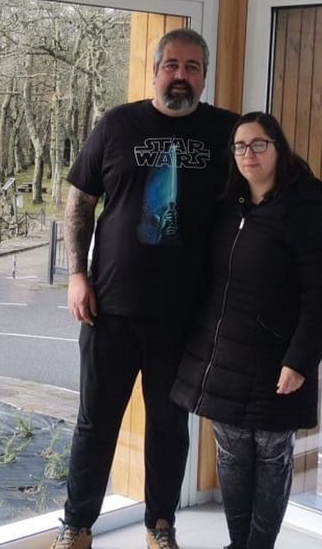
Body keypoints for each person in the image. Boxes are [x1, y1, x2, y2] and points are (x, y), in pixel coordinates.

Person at [53, 28, 238, 549]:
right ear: (155, 69)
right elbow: (79, 204)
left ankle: (161, 526)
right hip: (109, 309)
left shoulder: (226, 132)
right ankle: (77, 526)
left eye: (193, 66)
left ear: (204, 74)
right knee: (96, 424)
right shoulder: (117, 124)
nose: (182, 75)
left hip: (185, 317)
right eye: (173, 65)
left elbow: (257, 199)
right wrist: (76, 274)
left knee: (168, 428)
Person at [170, 111, 322, 549]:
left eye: (259, 144)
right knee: (231, 453)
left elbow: (321, 294)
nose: (249, 154)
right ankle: (237, 543)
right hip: (223, 357)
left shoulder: (307, 204)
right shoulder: (228, 204)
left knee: (270, 456)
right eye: (240, 147)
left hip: (276, 362)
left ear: (278, 148)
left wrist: (300, 361)